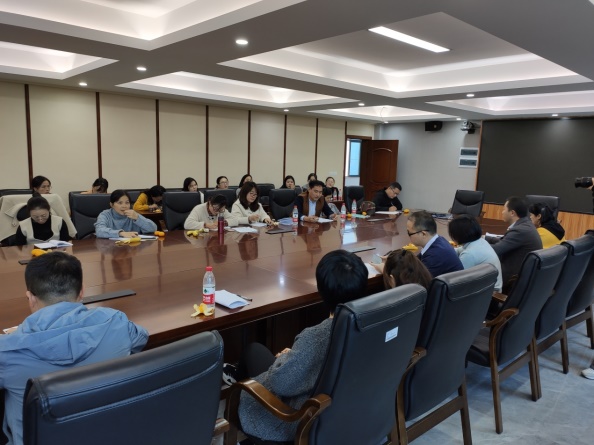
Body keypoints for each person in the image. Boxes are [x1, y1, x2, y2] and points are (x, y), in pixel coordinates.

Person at [0, 251, 148, 445]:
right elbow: (141, 338)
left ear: (31, 298)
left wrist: (17, 336)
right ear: (82, 292)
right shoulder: (116, 322)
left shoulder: (7, 351)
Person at [236, 250, 368, 442]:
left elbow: (281, 384)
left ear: (321, 290)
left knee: (252, 353)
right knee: (256, 352)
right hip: (346, 412)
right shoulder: (371, 322)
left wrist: (284, 358)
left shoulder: (316, 337)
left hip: (301, 421)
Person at [486, 196, 542, 292]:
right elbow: (506, 242)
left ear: (512, 213)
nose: (502, 212)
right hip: (523, 278)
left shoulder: (520, 230)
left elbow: (495, 250)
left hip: (511, 282)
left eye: (504, 209)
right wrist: (486, 238)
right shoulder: (526, 225)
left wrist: (476, 246)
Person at [448, 214, 503, 292]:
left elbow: (456, 281)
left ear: (457, 235)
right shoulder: (480, 241)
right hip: (491, 287)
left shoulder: (469, 254)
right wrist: (446, 251)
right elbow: (459, 250)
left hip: (490, 294)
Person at [407, 210, 463, 277]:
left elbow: (416, 281)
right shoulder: (439, 239)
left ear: (423, 234)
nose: (408, 236)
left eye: (409, 233)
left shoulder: (434, 257)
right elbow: (417, 260)